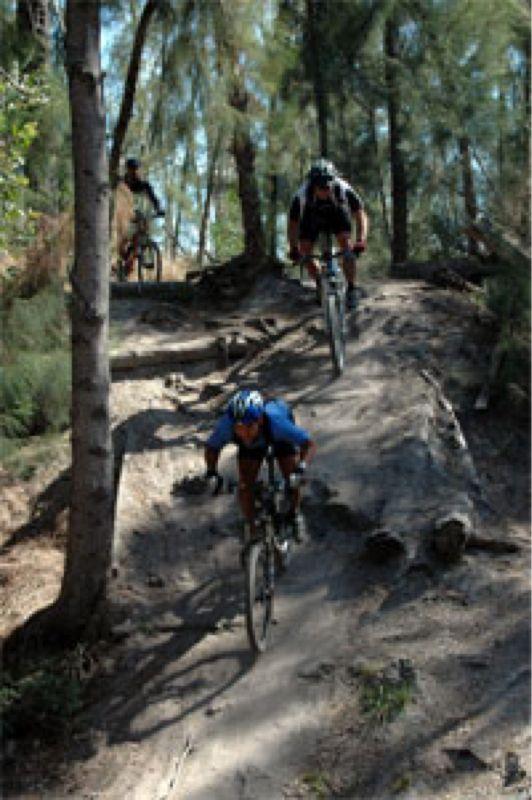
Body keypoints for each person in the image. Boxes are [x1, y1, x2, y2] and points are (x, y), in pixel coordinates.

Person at [204, 389, 316, 543]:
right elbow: (212, 448)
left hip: (279, 439)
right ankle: (250, 525)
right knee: (245, 486)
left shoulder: (277, 422)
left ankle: (295, 514)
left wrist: (300, 469)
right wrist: (211, 472)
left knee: (291, 478)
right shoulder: (227, 424)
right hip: (253, 446)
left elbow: (308, 445)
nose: (244, 433)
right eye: (239, 428)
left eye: (249, 427)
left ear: (260, 420)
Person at [287, 158, 368, 310]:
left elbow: (360, 214)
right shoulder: (301, 196)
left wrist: (361, 240)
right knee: (305, 251)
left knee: (346, 245)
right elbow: (293, 224)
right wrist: (293, 248)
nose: (325, 189)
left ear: (333, 180)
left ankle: (351, 288)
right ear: (313, 185)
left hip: (337, 213)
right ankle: (319, 283)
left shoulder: (343, 188)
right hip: (311, 217)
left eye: (328, 185)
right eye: (321, 187)